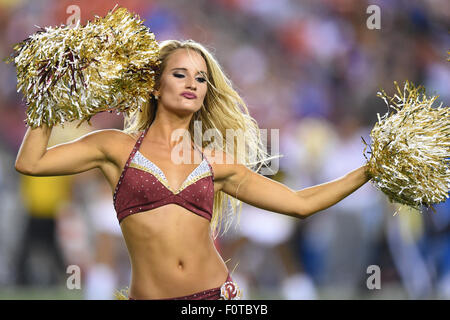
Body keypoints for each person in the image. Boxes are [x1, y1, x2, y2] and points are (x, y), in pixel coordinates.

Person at [14, 39, 371, 300]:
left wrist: (369, 170)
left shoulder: (215, 161)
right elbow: (30, 163)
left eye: (200, 79)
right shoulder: (114, 146)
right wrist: (47, 94)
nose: (191, 84)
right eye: (180, 74)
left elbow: (300, 203)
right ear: (155, 86)